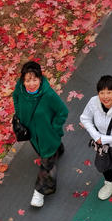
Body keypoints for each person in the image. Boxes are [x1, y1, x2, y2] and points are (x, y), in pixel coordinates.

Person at [12, 61, 68, 208]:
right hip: (32, 134)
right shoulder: (20, 89)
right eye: (27, 80)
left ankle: (40, 192)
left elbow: (62, 111)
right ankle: (58, 149)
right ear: (23, 80)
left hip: (47, 135)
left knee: (47, 164)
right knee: (47, 152)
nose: (31, 84)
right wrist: (20, 115)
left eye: (35, 79)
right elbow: (15, 97)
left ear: (40, 78)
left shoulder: (48, 95)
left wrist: (54, 128)